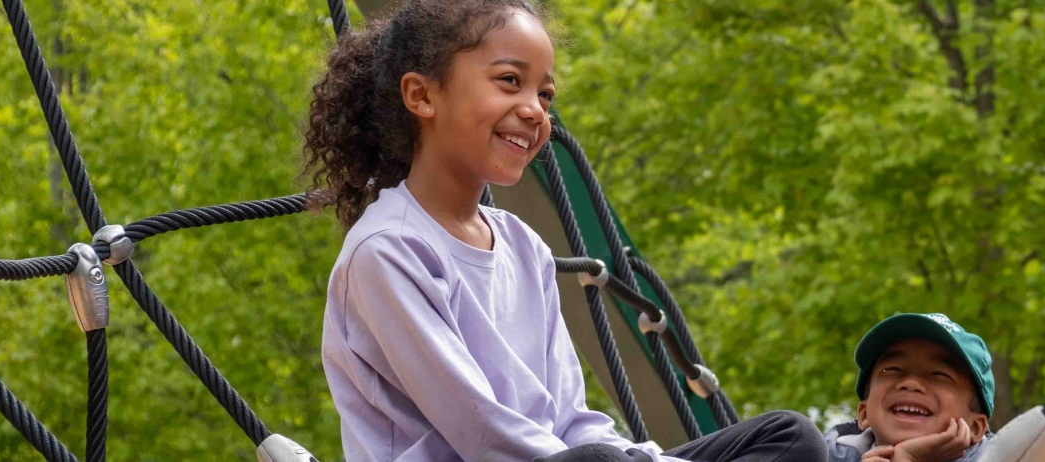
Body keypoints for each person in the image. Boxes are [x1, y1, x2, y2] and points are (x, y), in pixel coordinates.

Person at [303, 1, 824, 461]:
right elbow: (483, 433)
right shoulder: (388, 250)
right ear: (421, 95)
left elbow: (572, 421)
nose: (534, 110)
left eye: (545, 94)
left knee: (792, 438)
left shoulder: (524, 246)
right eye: (510, 81)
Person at [823, 313, 995, 462]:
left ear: (975, 427)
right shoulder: (816, 455)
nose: (911, 383)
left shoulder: (1008, 457)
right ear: (864, 413)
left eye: (939, 374)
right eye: (892, 369)